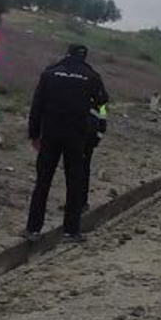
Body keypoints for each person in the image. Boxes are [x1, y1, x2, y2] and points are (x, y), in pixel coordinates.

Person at [25, 44, 109, 242]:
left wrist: (34, 134)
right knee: (74, 182)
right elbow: (102, 99)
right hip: (76, 136)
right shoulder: (92, 76)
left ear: (66, 54)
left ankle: (32, 229)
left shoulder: (50, 73)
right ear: (84, 57)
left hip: (50, 134)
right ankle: (71, 231)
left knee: (42, 182)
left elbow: (36, 106)